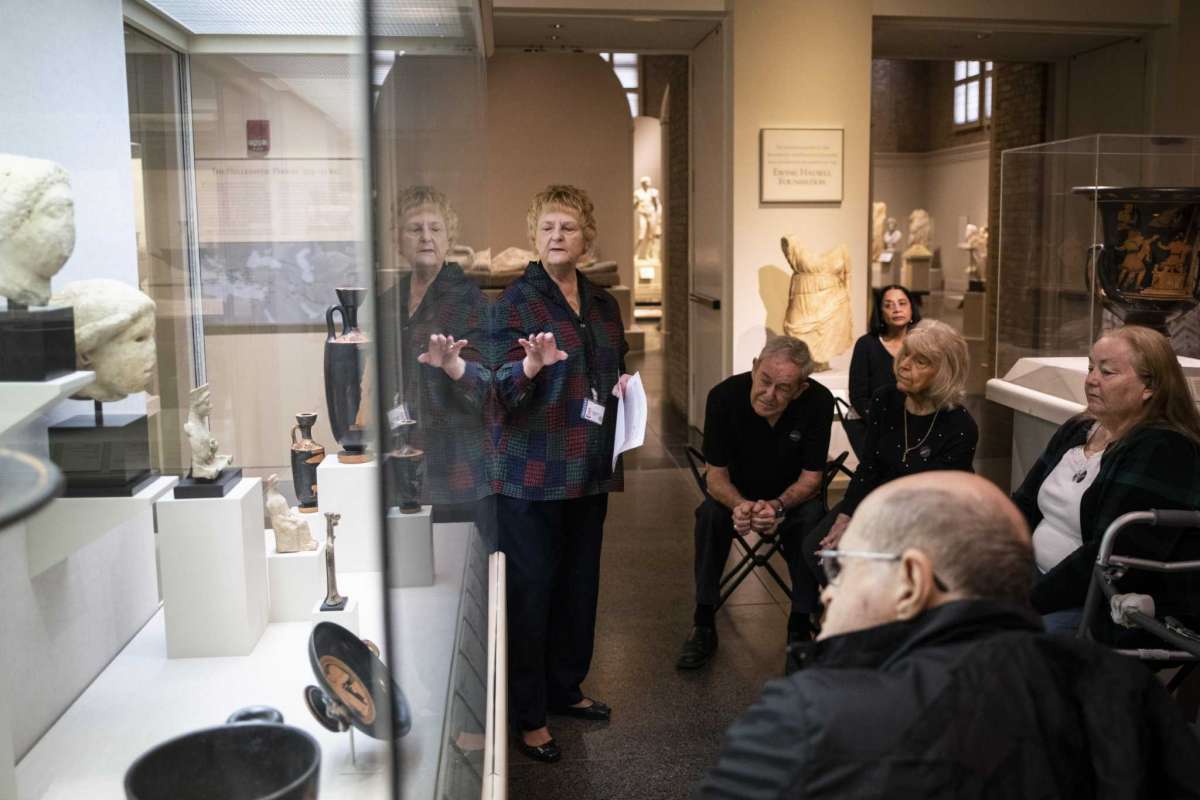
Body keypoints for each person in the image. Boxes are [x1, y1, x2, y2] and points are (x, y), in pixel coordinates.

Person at [694, 472, 1200, 800]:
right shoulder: (1129, 691)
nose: (829, 590)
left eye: (843, 564)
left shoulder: (810, 715)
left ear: (912, 580)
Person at [491, 184, 632, 763]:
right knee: (531, 594)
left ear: (586, 237)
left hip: (590, 467)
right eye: (547, 227)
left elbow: (611, 365)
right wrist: (527, 365)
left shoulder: (602, 303)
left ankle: (564, 689)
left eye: (568, 228)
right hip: (532, 473)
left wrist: (621, 386)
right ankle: (528, 716)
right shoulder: (514, 304)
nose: (557, 237)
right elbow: (497, 390)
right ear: (534, 235)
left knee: (578, 587)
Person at [1011, 325, 1200, 639]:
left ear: (1149, 387)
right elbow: (1024, 504)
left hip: (1098, 600)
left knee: (1001, 642)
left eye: (1107, 372)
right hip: (1035, 575)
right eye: (1090, 367)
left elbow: (1112, 558)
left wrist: (1026, 603)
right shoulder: (1080, 427)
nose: (1091, 380)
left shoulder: (1164, 449)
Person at [676, 336, 833, 671]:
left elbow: (811, 479)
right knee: (708, 517)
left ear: (801, 388)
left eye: (783, 388)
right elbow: (715, 477)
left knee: (813, 518)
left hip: (791, 497)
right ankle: (703, 620)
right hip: (735, 493)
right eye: (764, 380)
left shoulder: (818, 401)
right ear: (754, 367)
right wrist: (741, 505)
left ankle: (799, 623)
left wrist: (776, 506)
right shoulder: (723, 397)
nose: (769, 394)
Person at [813, 319, 977, 556]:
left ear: (944, 374)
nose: (904, 365)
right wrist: (846, 514)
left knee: (846, 563)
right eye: (906, 354)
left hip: (924, 523)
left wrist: (866, 527)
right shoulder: (885, 399)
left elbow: (933, 505)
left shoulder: (960, 426)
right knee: (813, 549)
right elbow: (868, 467)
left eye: (920, 361)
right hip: (877, 500)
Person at [378, 186, 492, 523]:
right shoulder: (388, 301)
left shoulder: (470, 302)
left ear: (449, 238)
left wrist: (454, 365)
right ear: (398, 241)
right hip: (396, 448)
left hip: (452, 459)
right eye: (415, 229)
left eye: (435, 228)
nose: (426, 237)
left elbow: (486, 387)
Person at [845, 284, 920, 454]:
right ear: (880, 312)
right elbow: (858, 395)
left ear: (911, 309)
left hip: (915, 421)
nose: (896, 309)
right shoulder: (866, 344)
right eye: (888, 305)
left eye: (902, 303)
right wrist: (884, 421)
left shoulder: (922, 343)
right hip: (871, 422)